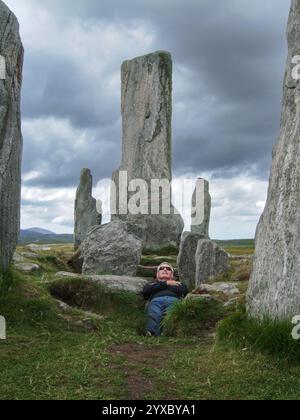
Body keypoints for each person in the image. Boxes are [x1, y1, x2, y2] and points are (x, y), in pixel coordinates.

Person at [142, 262, 188, 337]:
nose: (165, 269)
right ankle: (151, 332)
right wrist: (166, 283)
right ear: (157, 274)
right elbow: (146, 292)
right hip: (155, 301)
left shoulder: (179, 283)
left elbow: (183, 291)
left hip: (174, 301)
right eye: (161, 268)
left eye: (168, 269)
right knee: (154, 313)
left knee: (171, 314)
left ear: (172, 275)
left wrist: (163, 285)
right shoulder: (151, 284)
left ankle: (167, 332)